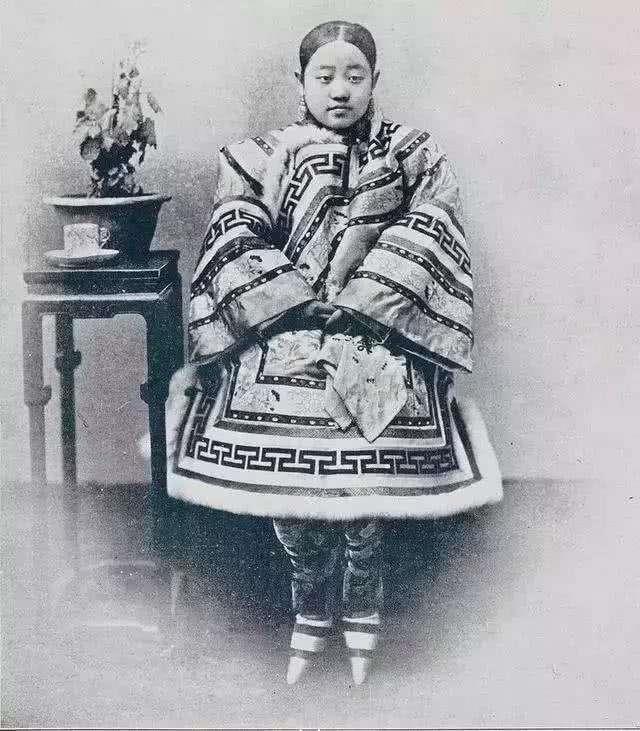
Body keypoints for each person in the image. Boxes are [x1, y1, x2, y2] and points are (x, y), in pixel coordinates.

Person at [165, 20, 502, 685]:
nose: (340, 90)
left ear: (375, 81)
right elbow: (234, 234)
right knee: (282, 443)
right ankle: (310, 597)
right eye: (325, 76)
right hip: (282, 327)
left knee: (364, 459)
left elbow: (433, 227)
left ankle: (363, 598)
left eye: (355, 76)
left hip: (378, 329)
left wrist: (363, 299)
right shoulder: (257, 157)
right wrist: (291, 299)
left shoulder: (413, 153)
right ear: (300, 82)